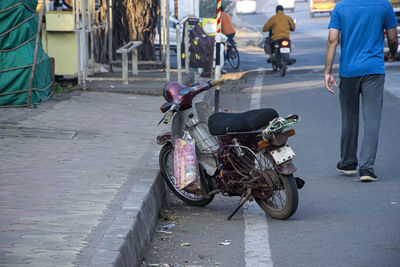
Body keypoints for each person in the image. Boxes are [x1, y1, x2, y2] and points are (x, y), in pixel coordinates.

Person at [324, 0, 398, 182]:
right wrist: (392, 53)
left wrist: (327, 71)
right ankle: (367, 169)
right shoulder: (384, 6)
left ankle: (348, 163)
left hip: (349, 71)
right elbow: (393, 38)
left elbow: (332, 40)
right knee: (372, 120)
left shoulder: (341, 7)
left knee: (349, 118)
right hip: (374, 70)